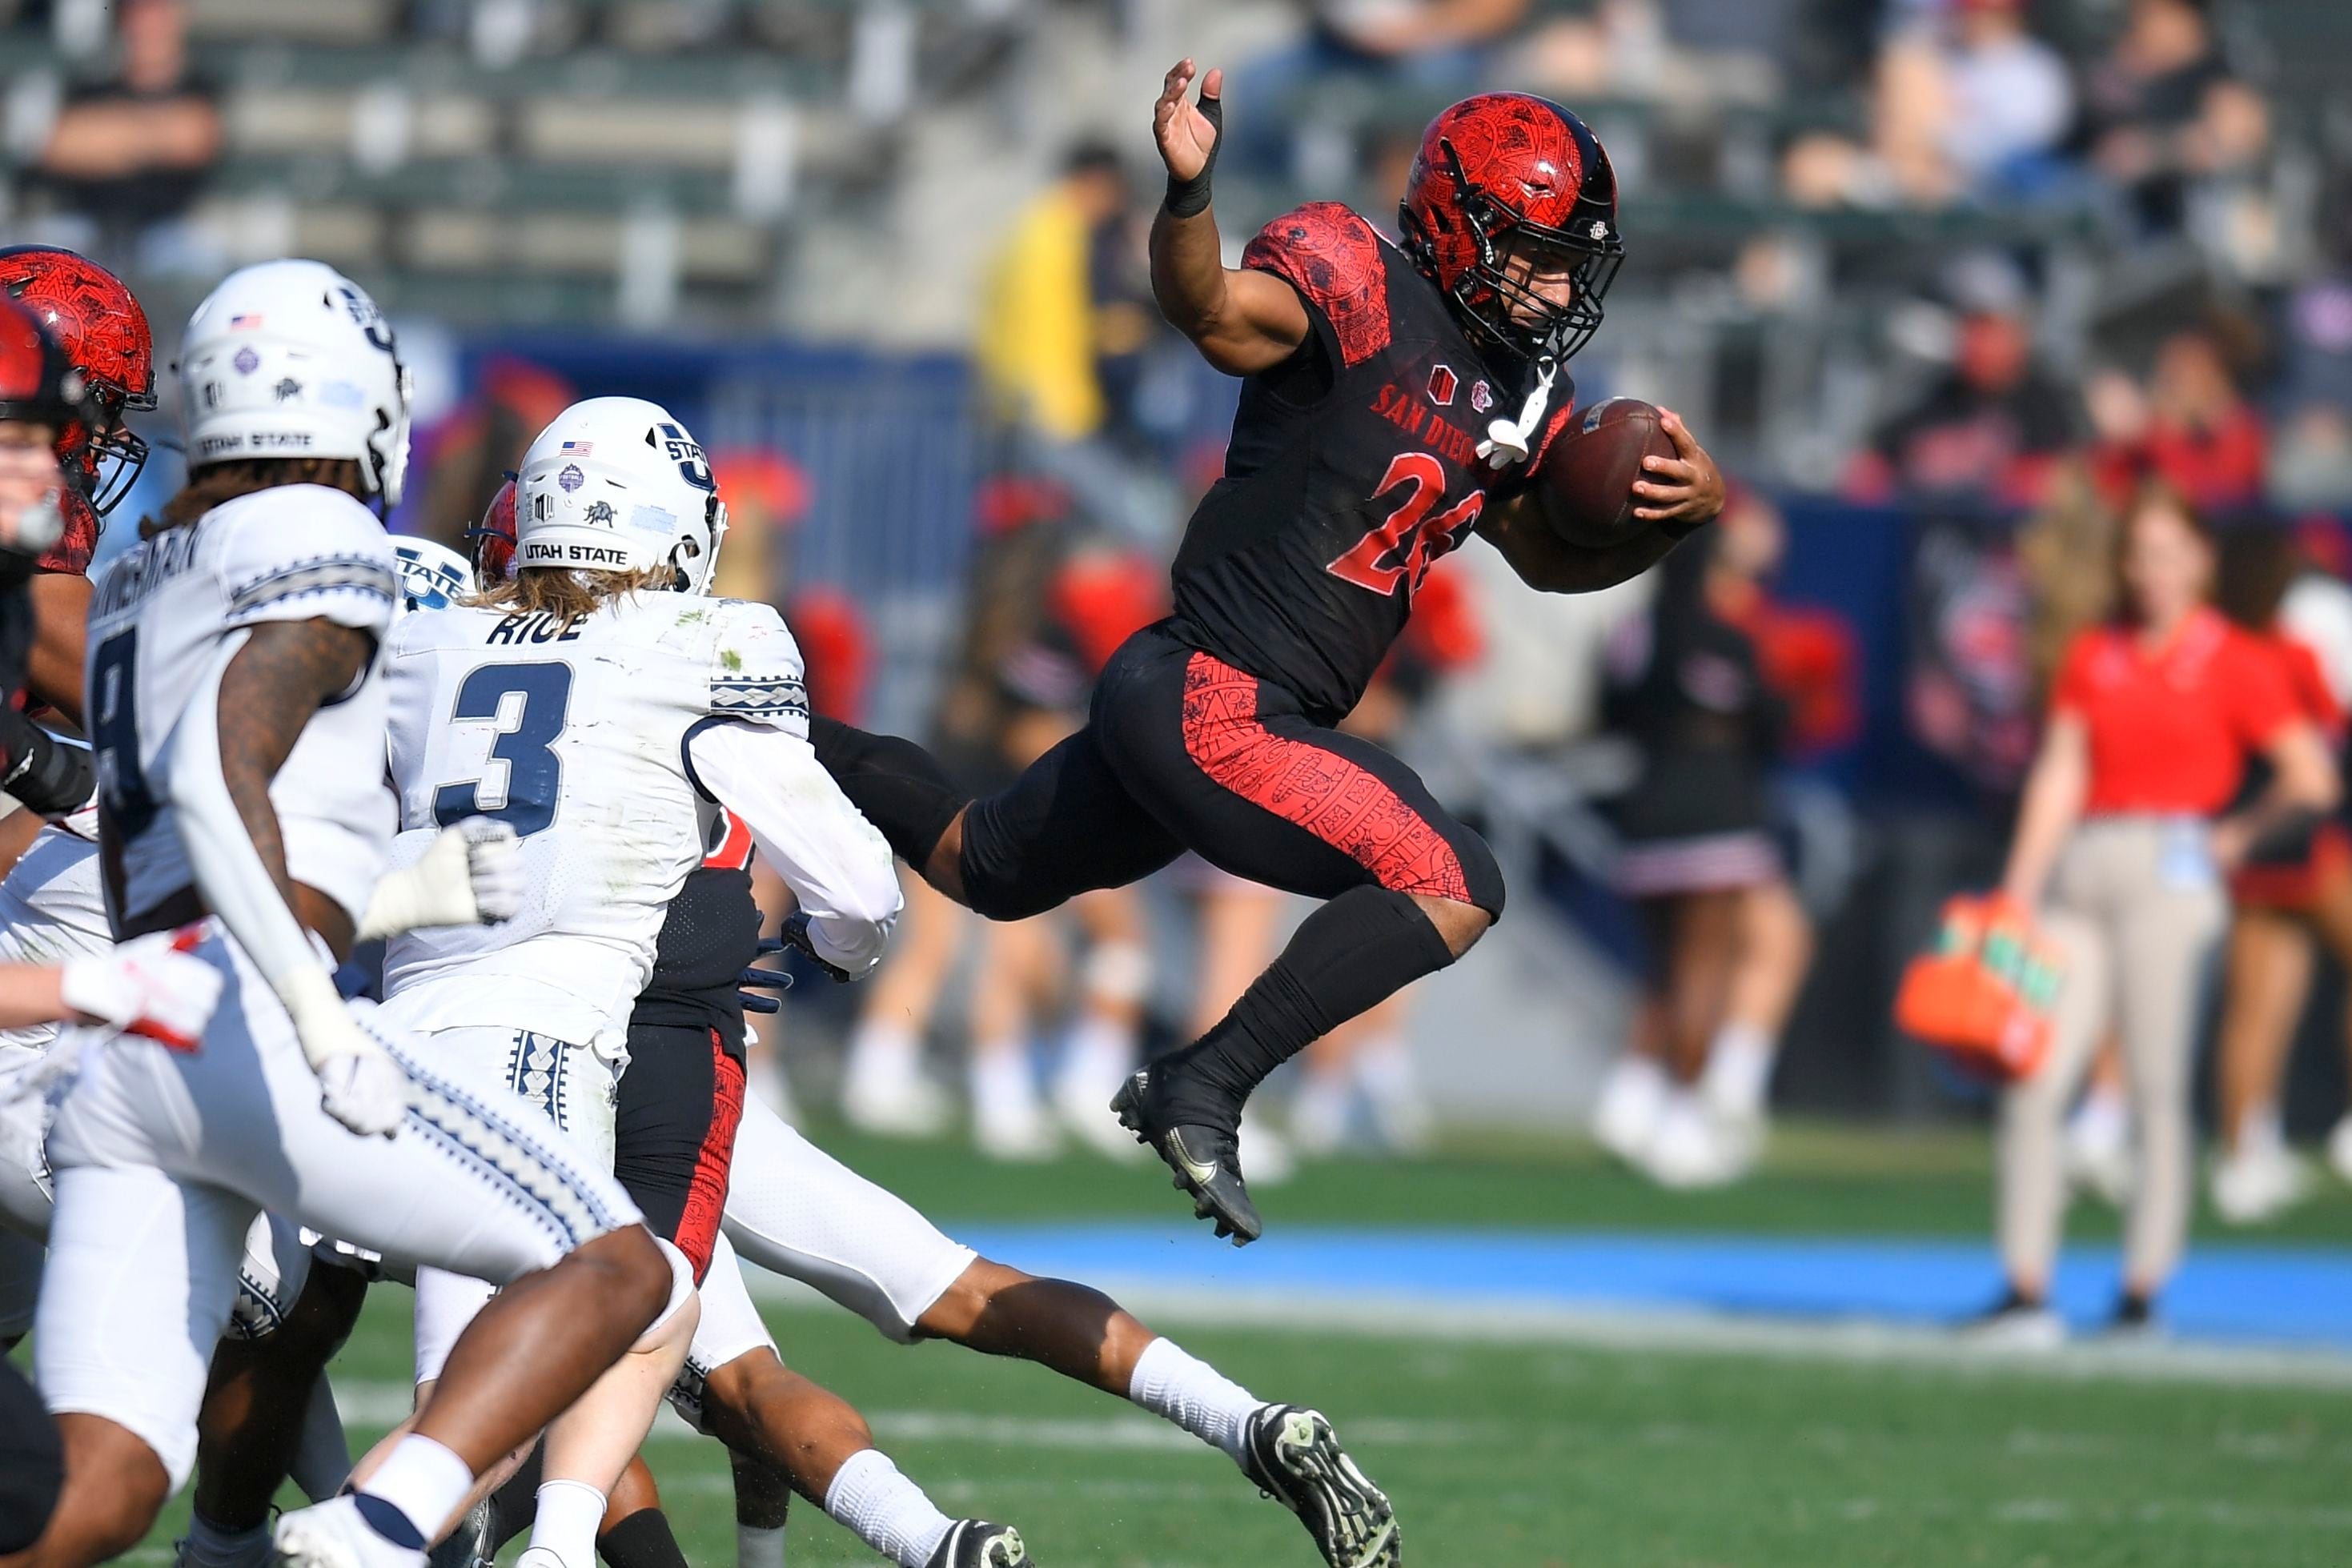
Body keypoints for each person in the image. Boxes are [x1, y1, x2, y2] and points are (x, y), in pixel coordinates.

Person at [813, 66, 1724, 1244]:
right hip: (1216, 698)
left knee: (978, 858)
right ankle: (1202, 1080)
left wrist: (1677, 520)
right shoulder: (1354, 282)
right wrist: (1188, 194)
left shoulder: (1513, 386)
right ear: (1461, 223)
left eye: (1572, 257)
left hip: (1228, 703)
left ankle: (769, 720)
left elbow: (1550, 559)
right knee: (1454, 880)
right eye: (1539, 249)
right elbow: (1210, 312)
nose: (1559, 283)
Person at [24, 259, 679, 1568]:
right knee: (618, 1266)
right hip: (242, 1021)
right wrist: (323, 1023)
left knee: (90, 1493)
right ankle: (386, 1524)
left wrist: (400, 894)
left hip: (129, 1057)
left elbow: (190, 827)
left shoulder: (151, 565)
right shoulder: (309, 538)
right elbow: (217, 775)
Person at [376, 397, 907, 1568]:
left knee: (471, 1404)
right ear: (671, 522)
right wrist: (840, 950)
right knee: (522, 1393)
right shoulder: (698, 643)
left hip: (386, 1036)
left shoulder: (421, 637)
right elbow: (858, 883)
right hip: (543, 1035)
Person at [1977, 482, 2339, 1345]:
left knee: (2156, 1080)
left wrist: (2236, 839)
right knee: (2034, 1074)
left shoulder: (2233, 658)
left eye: (2170, 554)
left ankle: (2141, 1291)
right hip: (2084, 863)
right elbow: (2060, 773)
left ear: (2201, 560)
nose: (2153, 574)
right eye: (2139, 555)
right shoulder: (2095, 652)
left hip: (2172, 866)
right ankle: (2024, 1287)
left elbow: (2310, 777)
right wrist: (2018, 889)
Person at [30, 0, 223, 271]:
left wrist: (106, 138)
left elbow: (193, 137)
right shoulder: (93, 87)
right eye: (139, 16)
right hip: (87, 223)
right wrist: (154, 138)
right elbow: (57, 147)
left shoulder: (201, 87)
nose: (147, 28)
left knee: (191, 256)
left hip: (167, 228)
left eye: (157, 16)